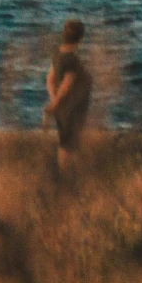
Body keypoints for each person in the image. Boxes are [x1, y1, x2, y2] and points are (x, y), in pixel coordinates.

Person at [43, 17, 92, 172]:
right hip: (71, 110)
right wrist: (54, 105)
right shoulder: (72, 60)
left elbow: (50, 79)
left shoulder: (57, 53)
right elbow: (67, 85)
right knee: (69, 147)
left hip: (62, 110)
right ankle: (66, 181)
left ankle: (66, 178)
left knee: (65, 143)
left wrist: (54, 101)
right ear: (80, 38)